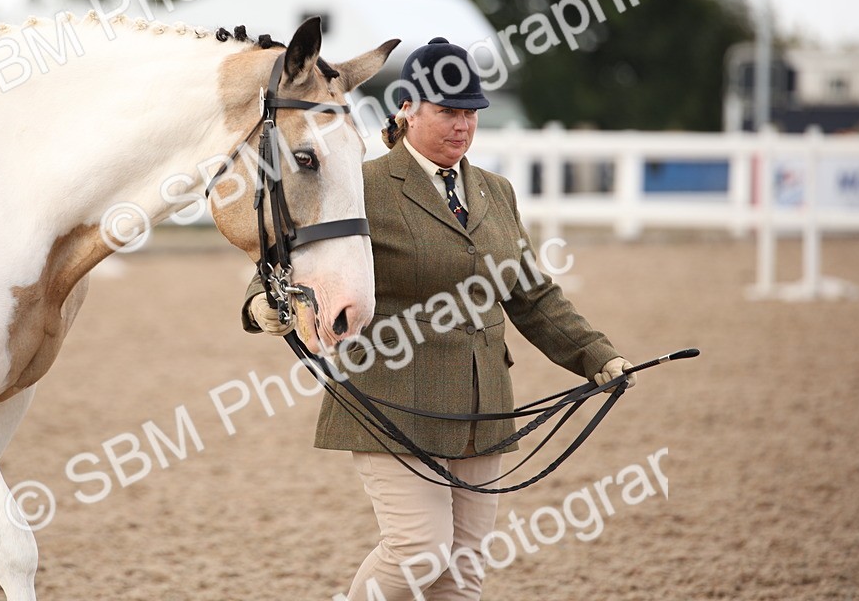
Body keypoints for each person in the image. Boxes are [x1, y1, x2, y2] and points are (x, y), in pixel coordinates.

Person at [240, 37, 635, 601]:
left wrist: (597, 356)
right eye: (448, 111)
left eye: (471, 113)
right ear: (406, 107)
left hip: (484, 406)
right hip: (395, 402)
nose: (462, 126)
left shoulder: (496, 193)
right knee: (418, 551)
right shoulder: (365, 184)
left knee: (463, 570)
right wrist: (264, 302)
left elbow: (533, 296)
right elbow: (292, 259)